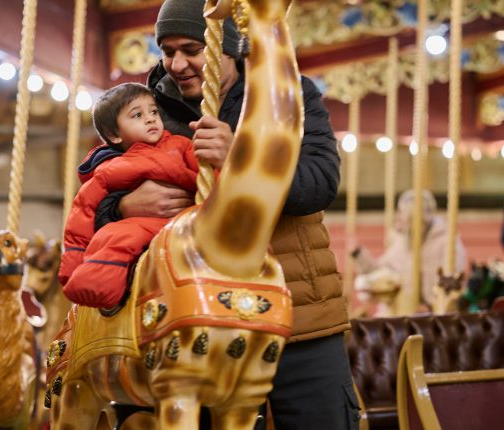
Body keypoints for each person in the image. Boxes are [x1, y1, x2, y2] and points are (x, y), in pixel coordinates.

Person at [93, 1, 358, 428]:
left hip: (297, 312)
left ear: (227, 46)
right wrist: (122, 206)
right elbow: (95, 194)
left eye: (192, 49)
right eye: (167, 49)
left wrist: (240, 157)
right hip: (193, 319)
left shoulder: (288, 97)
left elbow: (319, 183)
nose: (177, 63)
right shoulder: (145, 112)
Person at [58, 82, 198, 309]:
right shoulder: (110, 168)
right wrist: (72, 262)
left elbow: (210, 172)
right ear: (114, 134)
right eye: (137, 115)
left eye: (153, 112)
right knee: (115, 235)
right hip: (145, 225)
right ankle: (99, 289)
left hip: (190, 216)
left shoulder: (181, 145)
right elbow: (82, 212)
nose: (151, 119)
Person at [352, 189, 467, 310]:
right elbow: (383, 271)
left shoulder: (446, 241)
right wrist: (360, 257)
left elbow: (452, 280)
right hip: (403, 310)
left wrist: (431, 303)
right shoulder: (401, 240)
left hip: (433, 311)